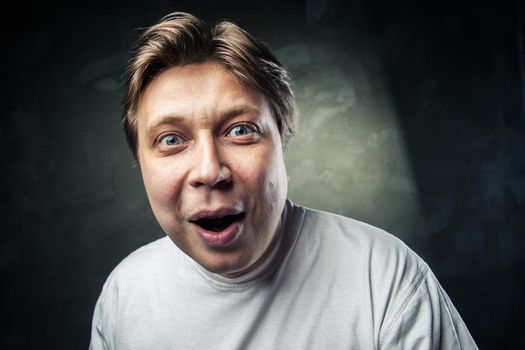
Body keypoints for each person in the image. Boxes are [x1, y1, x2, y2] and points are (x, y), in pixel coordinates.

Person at [90, 12, 478, 350]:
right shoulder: (125, 296)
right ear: (139, 162)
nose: (210, 171)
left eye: (241, 131)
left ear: (283, 140)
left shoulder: (386, 279)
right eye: (171, 140)